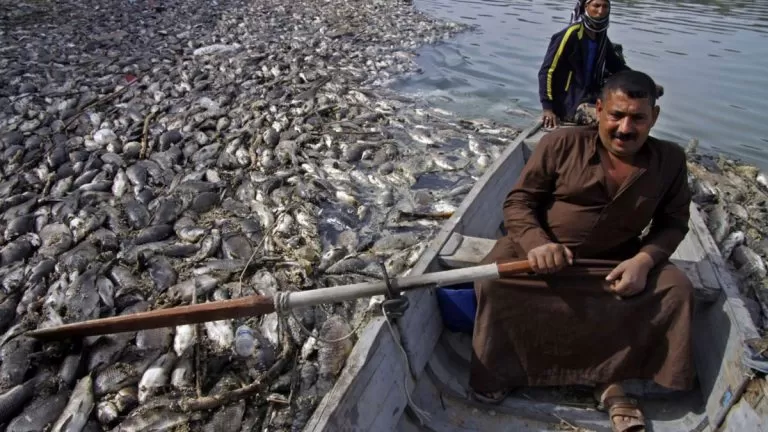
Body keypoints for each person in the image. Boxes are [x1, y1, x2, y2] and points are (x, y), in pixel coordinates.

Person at [470, 70, 693, 432]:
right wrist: (538, 244)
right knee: (494, 283)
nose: (625, 128)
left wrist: (642, 261)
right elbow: (519, 202)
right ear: (599, 110)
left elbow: (673, 223)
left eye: (638, 118)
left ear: (654, 117)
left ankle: (612, 378)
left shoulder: (670, 160)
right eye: (616, 115)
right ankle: (510, 368)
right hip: (542, 258)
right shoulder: (561, 143)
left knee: (676, 289)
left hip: (614, 264)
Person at [537, 0, 663, 128]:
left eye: (605, 6)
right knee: (613, 120)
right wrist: (547, 108)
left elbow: (616, 66)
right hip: (570, 104)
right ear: (586, 7)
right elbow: (547, 71)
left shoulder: (601, 36)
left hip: (592, 96)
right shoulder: (570, 34)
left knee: (636, 113)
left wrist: (646, 84)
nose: (601, 11)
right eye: (596, 6)